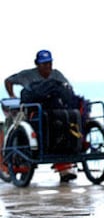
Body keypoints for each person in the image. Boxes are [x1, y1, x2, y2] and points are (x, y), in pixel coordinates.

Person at [4, 49, 77, 182]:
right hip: (33, 111)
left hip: (53, 111)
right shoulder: (27, 75)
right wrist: (12, 96)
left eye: (49, 63)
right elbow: (8, 81)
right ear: (37, 64)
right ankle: (13, 158)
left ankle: (63, 166)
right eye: (44, 64)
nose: (47, 67)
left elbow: (68, 88)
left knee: (65, 123)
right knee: (15, 123)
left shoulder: (56, 75)